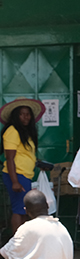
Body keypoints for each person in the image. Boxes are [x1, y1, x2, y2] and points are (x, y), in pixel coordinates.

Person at [0, 97, 46, 235]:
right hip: (16, 176)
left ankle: (22, 242)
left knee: (24, 210)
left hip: (24, 175)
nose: (25, 117)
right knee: (19, 210)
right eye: (22, 114)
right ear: (15, 116)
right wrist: (15, 182)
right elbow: (10, 158)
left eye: (28, 114)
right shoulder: (12, 131)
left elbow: (25, 155)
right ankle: (17, 243)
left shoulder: (26, 133)